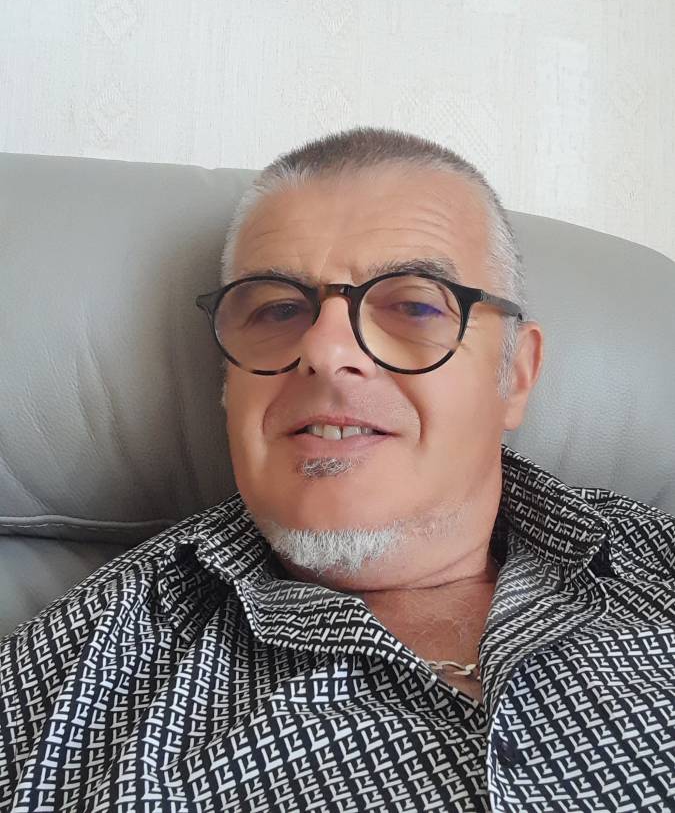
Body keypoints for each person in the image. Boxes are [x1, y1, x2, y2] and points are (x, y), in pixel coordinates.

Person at [0, 127, 672, 813]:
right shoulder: (77, 676)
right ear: (228, 384)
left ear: (517, 375)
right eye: (278, 309)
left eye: (414, 305)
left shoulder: (658, 564)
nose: (324, 350)